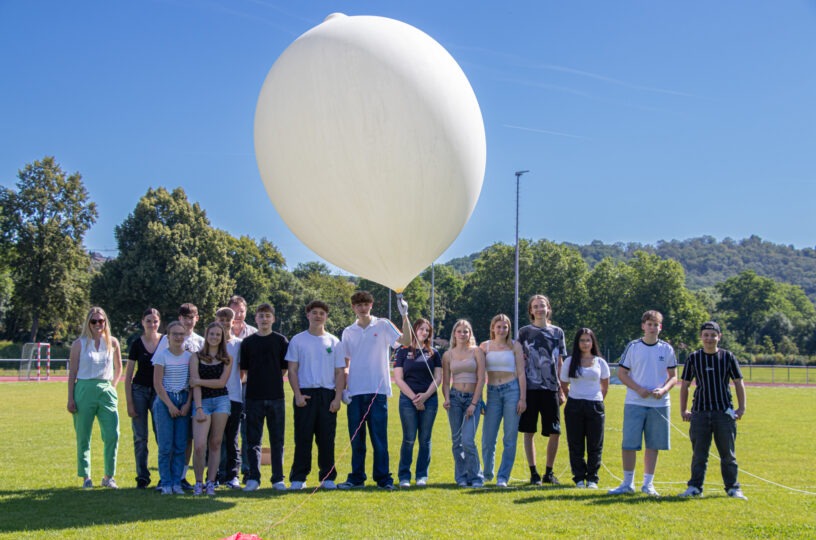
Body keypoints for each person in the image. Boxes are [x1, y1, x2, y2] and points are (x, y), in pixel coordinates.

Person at [337, 290, 410, 490]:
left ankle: (383, 478)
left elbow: (406, 341)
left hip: (377, 392)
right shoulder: (348, 331)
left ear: (371, 305)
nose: (362, 308)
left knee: (379, 439)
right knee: (356, 440)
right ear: (353, 307)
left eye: (365, 304)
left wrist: (405, 315)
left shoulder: (383, 324)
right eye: (358, 305)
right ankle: (357, 477)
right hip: (355, 392)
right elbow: (345, 362)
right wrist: (344, 389)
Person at [608, 310, 677, 497]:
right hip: (634, 402)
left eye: (656, 324)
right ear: (643, 326)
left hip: (659, 404)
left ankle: (648, 484)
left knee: (653, 445)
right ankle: (627, 483)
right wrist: (638, 389)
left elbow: (673, 377)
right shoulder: (633, 347)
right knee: (629, 443)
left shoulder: (667, 349)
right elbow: (622, 374)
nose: (653, 328)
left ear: (660, 327)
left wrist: (663, 390)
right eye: (649, 324)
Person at [678, 321, 748, 500]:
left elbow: (738, 382)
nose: (709, 339)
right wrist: (684, 409)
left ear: (719, 336)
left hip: (723, 412)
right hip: (700, 412)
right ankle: (694, 487)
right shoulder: (694, 358)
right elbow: (685, 385)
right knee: (699, 454)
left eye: (713, 335)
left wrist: (741, 408)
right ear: (701, 337)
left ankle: (733, 488)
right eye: (706, 335)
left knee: (728, 454)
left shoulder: (728, 357)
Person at [286, 300, 346, 490]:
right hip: (306, 393)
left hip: (327, 395)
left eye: (322, 313)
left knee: (327, 438)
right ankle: (299, 477)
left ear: (326, 317)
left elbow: (339, 372)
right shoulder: (298, 340)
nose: (318, 316)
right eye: (314, 312)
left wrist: (337, 398)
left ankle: (327, 477)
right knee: (303, 437)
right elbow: (293, 370)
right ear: (308, 315)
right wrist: (297, 394)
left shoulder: (334, 342)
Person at [66, 307, 123, 489]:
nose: (98, 324)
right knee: (84, 435)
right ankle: (86, 476)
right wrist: (70, 398)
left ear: (106, 322)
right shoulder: (79, 344)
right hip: (84, 389)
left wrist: (112, 386)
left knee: (112, 434)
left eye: (101, 321)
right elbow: (72, 372)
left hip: (106, 390)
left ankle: (108, 476)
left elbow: (119, 367)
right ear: (88, 323)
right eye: (94, 321)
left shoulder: (112, 342)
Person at [517, 295, 567, 485]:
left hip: (551, 388)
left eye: (542, 306)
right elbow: (519, 361)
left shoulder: (557, 332)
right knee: (529, 431)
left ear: (548, 309)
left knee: (554, 431)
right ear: (531, 310)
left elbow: (560, 362)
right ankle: (534, 473)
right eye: (535, 306)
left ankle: (549, 472)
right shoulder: (524, 333)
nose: (539, 309)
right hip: (530, 388)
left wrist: (562, 389)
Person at [240, 303, 289, 491]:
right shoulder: (248, 342)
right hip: (253, 397)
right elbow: (244, 369)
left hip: (276, 396)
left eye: (268, 316)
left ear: (273, 319)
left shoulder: (281, 341)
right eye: (261, 316)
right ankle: (254, 478)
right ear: (256, 319)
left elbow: (284, 368)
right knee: (253, 440)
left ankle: (278, 478)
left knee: (277, 440)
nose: (264, 319)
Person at [394, 317, 442, 488]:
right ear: (414, 330)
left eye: (427, 330)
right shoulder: (402, 351)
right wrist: (415, 398)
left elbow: (438, 378)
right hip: (408, 400)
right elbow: (398, 379)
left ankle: (422, 475)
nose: (424, 332)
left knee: (425, 439)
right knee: (409, 439)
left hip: (429, 400)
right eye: (421, 329)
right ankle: (404, 476)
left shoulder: (434, 353)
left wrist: (425, 396)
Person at [559, 328, 610, 489]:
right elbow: (564, 384)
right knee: (575, 444)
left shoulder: (600, 362)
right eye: (582, 340)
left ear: (593, 342)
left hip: (595, 405)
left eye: (588, 340)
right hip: (574, 405)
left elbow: (605, 386)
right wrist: (573, 397)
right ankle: (579, 478)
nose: (585, 343)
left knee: (595, 444)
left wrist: (596, 400)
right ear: (577, 343)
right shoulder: (569, 362)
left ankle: (592, 479)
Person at [480, 314, 526, 488]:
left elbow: (521, 373)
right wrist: (478, 399)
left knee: (509, 437)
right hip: (492, 393)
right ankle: (486, 474)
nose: (501, 330)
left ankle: (503, 476)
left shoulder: (515, 346)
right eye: (498, 326)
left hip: (512, 392)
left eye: (505, 327)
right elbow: (479, 374)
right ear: (493, 328)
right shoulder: (484, 347)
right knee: (488, 438)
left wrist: (523, 398)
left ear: (509, 329)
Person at [442, 319, 486, 488]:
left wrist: (474, 403)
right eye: (459, 331)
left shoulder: (476, 352)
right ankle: (461, 477)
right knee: (456, 441)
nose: (462, 334)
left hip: (471, 399)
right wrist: (446, 398)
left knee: (468, 440)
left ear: (470, 334)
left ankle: (476, 477)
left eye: (466, 331)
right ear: (454, 333)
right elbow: (446, 382)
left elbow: (481, 379)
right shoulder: (448, 355)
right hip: (455, 399)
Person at [190, 322, 232, 496]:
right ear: (206, 335)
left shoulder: (227, 358)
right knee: (199, 445)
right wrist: (199, 408)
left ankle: (211, 482)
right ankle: (198, 482)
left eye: (218, 334)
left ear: (222, 338)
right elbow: (194, 385)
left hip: (221, 401)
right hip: (202, 402)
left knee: (215, 443)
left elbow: (221, 383)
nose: (214, 337)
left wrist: (199, 381)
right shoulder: (196, 357)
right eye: (211, 334)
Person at [152, 320, 193, 495]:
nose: (178, 337)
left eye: (181, 334)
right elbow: (157, 383)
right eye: (174, 334)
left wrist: (187, 404)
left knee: (180, 445)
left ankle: (177, 481)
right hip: (165, 401)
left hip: (183, 400)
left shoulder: (190, 357)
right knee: (165, 446)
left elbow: (192, 384)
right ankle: (166, 483)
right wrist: (169, 405)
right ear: (168, 337)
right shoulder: (162, 356)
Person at [124, 307, 162, 488]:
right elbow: (129, 374)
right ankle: (142, 476)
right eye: (149, 321)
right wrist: (129, 402)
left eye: (155, 321)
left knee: (161, 435)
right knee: (140, 437)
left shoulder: (165, 341)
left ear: (159, 322)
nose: (152, 324)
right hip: (139, 391)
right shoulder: (136, 344)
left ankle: (165, 475)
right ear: (142, 322)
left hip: (159, 392)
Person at [228, 295, 257, 483]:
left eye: (241, 311)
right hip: (227, 388)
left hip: (249, 387)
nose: (238, 315)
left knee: (248, 430)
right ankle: (228, 471)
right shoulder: (219, 332)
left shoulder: (253, 333)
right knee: (229, 431)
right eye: (235, 311)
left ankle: (248, 470)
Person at [216, 306, 244, 489]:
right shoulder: (210, 342)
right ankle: (216, 474)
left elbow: (242, 371)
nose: (225, 323)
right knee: (216, 439)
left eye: (228, 320)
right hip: (213, 397)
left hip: (234, 396)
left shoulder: (239, 344)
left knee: (232, 437)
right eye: (221, 320)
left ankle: (232, 475)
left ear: (234, 322)